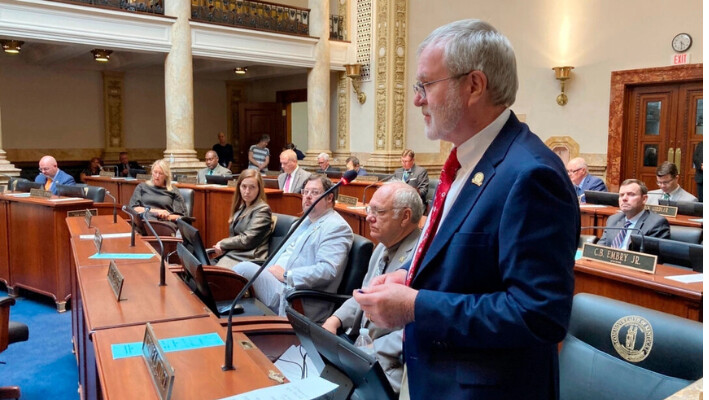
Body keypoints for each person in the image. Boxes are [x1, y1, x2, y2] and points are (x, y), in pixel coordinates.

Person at [353, 20, 579, 400]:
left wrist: (416, 306)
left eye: (425, 85)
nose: (417, 100)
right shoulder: (466, 162)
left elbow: (538, 314)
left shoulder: (531, 174)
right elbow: (464, 263)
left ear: (474, 85)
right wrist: (409, 276)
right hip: (434, 377)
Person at [322, 182, 422, 393]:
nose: (369, 217)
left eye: (379, 211)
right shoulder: (381, 247)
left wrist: (373, 350)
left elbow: (421, 326)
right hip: (360, 351)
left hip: (391, 367)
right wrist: (335, 319)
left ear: (405, 217)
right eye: (370, 209)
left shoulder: (421, 257)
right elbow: (363, 293)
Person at [232, 175, 353, 323]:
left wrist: (287, 275)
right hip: (277, 283)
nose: (307, 197)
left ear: (329, 198)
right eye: (305, 192)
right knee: (233, 274)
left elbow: (328, 270)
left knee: (242, 269)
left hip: (295, 296)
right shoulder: (303, 221)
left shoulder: (336, 227)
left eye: (314, 192)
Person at [214, 169, 273, 267]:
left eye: (252, 187)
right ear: (239, 187)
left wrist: (223, 243)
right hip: (235, 255)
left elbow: (247, 240)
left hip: (249, 259)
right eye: (244, 186)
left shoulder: (263, 209)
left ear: (259, 189)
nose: (247, 191)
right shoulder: (242, 206)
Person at [598, 179, 670, 248]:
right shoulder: (613, 219)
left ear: (644, 199)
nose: (624, 198)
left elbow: (649, 257)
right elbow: (600, 248)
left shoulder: (656, 223)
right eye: (621, 195)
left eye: (631, 194)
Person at [129, 159, 187, 227]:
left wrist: (166, 217)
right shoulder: (142, 187)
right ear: (151, 172)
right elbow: (133, 208)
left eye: (160, 173)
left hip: (164, 223)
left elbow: (181, 216)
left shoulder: (173, 190)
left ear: (166, 175)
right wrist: (156, 212)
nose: (157, 176)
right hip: (143, 221)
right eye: (155, 172)